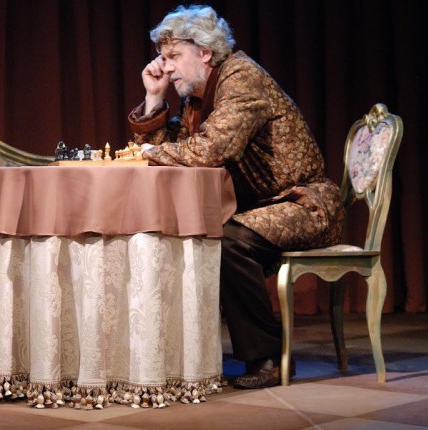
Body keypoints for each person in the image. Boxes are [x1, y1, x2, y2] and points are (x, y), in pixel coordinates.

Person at [129, 5, 345, 388]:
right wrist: (154, 98)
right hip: (261, 208)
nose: (167, 67)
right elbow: (175, 152)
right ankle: (183, 353)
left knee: (228, 241)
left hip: (303, 203)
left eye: (174, 56)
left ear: (204, 52)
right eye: (163, 57)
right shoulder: (197, 95)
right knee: (198, 233)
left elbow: (212, 150)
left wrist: (150, 152)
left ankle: (269, 357)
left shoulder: (241, 78)